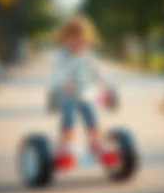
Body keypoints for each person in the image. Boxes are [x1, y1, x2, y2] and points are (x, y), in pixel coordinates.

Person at [49, 15, 116, 167]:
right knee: (69, 113)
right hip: (64, 93)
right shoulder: (62, 56)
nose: (77, 43)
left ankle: (95, 143)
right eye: (72, 39)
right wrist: (63, 83)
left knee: (90, 114)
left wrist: (105, 86)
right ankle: (65, 144)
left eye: (81, 39)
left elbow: (97, 73)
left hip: (84, 93)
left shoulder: (88, 56)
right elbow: (57, 74)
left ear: (86, 40)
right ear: (65, 39)